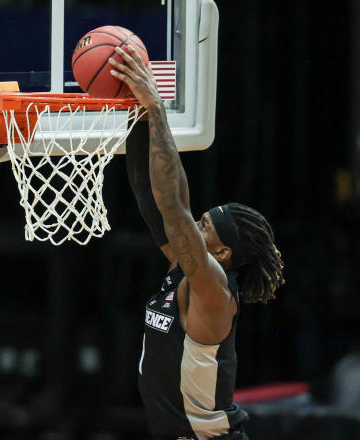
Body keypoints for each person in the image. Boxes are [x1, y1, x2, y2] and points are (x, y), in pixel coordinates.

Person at [109, 47, 285, 440]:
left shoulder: (212, 289)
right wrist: (137, 116)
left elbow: (173, 208)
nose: (193, 225)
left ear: (222, 253)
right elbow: (154, 200)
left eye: (203, 226)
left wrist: (156, 107)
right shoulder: (186, 267)